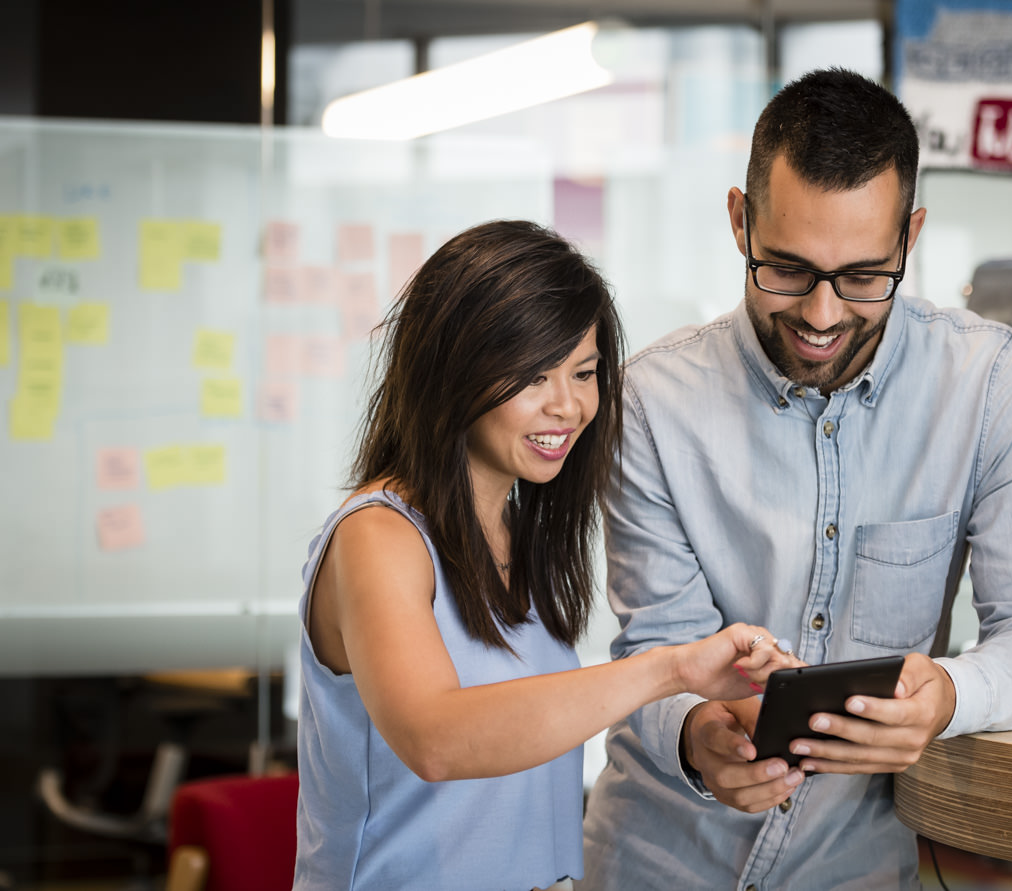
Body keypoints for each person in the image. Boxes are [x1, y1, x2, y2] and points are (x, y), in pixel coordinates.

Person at [579, 69, 1012, 889]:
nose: (821, 316)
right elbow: (655, 651)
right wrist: (694, 734)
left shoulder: (992, 384)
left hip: (853, 867)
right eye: (785, 269)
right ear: (740, 221)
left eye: (861, 277)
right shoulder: (652, 403)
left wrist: (951, 693)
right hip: (656, 859)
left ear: (909, 236)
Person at [292, 220, 798, 890]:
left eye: (583, 372)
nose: (568, 405)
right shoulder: (378, 537)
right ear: (452, 371)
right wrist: (672, 668)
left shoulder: (513, 534)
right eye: (533, 375)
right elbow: (436, 739)